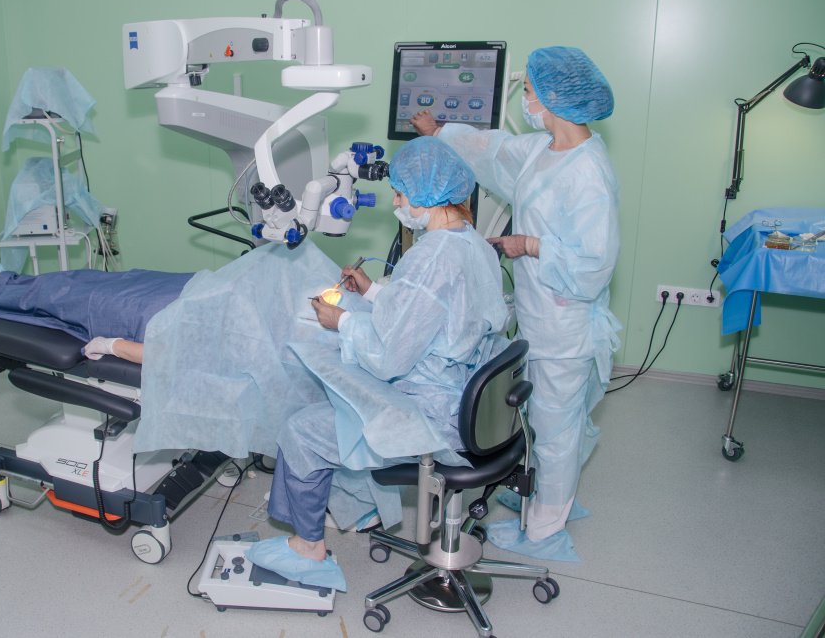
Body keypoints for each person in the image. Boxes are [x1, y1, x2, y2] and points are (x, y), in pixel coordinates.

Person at [243, 136, 509, 590]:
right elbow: (434, 314)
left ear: (427, 195)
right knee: (341, 407)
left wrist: (341, 320)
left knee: (303, 429)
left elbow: (389, 358)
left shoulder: (430, 259)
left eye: (401, 194)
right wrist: (370, 292)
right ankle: (363, 508)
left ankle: (308, 550)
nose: (396, 202)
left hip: (430, 415)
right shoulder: (473, 244)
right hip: (464, 397)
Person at [410, 46, 620, 558]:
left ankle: (545, 528)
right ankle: (547, 495)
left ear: (554, 98)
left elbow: (592, 265)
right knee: (546, 418)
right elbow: (494, 149)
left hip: (566, 325)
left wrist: (528, 245)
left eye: (528, 91)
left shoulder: (589, 173)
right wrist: (440, 134)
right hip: (540, 312)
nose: (524, 99)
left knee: (556, 426)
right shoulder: (545, 149)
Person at [0, 245, 191, 364]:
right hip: (179, 292)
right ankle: (7, 281)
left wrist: (110, 345)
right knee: (88, 280)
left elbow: (161, 354)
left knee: (73, 298)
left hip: (147, 316)